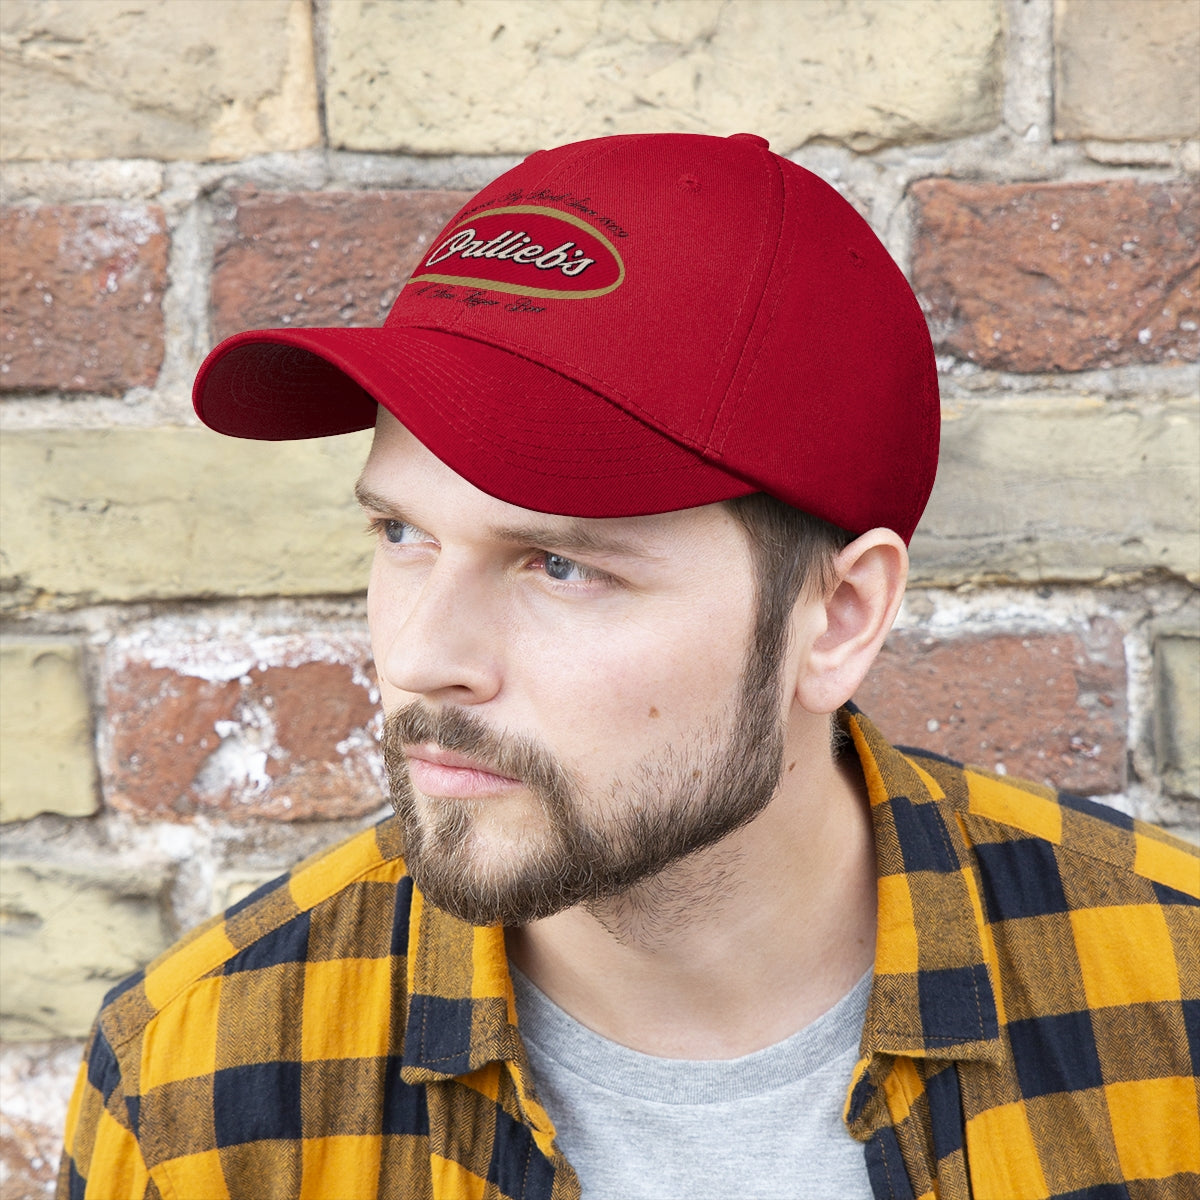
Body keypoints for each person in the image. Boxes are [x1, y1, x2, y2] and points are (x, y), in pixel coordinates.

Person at [60, 133, 1198, 1200]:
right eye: (403, 536)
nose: (419, 658)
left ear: (839, 617)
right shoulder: (195, 1089)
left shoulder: (1171, 998)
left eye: (558, 565)